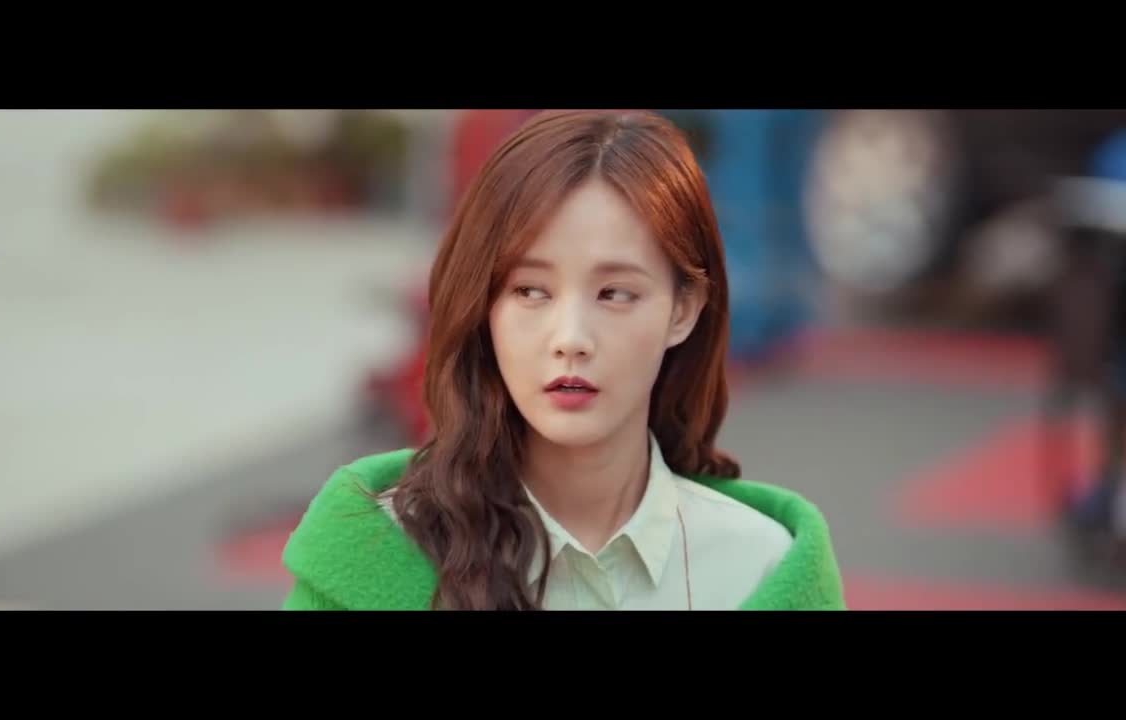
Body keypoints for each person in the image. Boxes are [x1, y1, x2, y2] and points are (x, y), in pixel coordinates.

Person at [281, 109, 846, 610]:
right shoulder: (377, 552)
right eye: (530, 291)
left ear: (683, 310)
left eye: (615, 293)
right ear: (483, 306)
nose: (571, 338)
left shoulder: (765, 568)